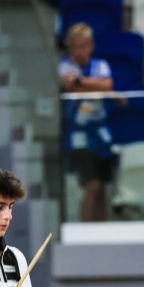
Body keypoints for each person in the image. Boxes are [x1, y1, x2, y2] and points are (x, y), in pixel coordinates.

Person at [59, 22, 114, 222]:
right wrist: (96, 86)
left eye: (83, 46)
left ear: (91, 46)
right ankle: (84, 229)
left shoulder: (101, 65)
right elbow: (67, 87)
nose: (79, 51)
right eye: (74, 47)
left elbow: (107, 85)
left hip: (100, 134)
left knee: (102, 187)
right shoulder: (65, 65)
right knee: (92, 185)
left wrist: (79, 82)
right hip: (78, 137)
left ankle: (101, 230)